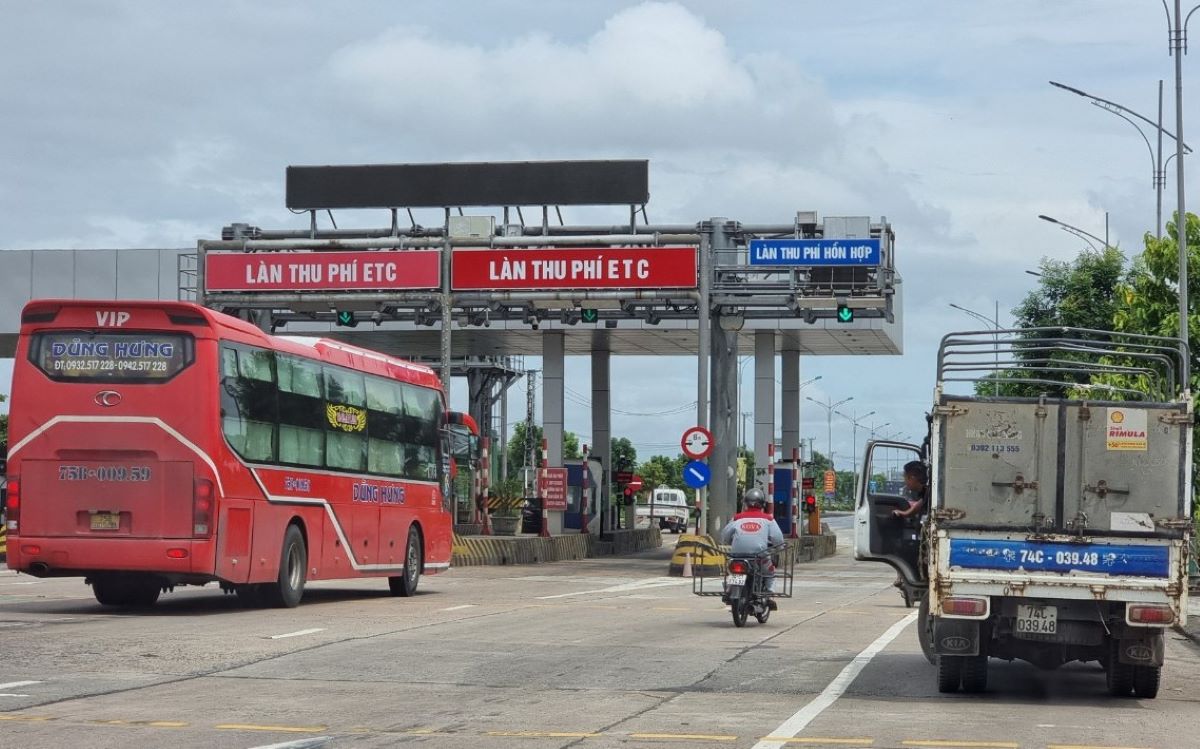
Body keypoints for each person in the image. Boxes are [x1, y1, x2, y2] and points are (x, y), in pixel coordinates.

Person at [719, 488, 785, 609]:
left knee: (731, 571)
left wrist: (729, 541)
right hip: (759, 556)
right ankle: (769, 595)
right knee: (769, 572)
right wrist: (779, 547)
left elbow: (724, 536)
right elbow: (778, 539)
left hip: (737, 556)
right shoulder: (768, 519)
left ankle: (728, 589)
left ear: (745, 503)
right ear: (762, 504)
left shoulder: (737, 518)